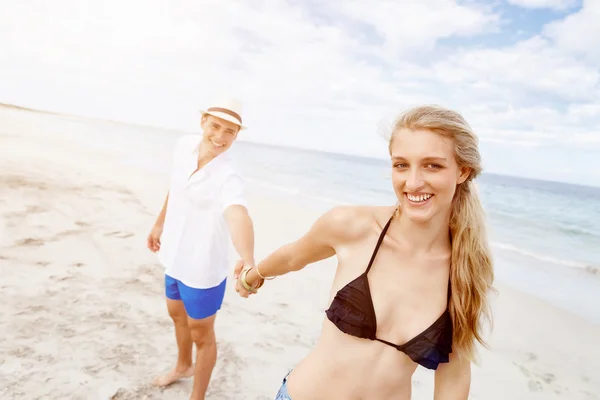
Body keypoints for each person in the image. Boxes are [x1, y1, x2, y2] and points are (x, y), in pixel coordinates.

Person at [234, 105, 495, 399]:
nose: (413, 182)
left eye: (432, 165)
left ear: (462, 171)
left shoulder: (466, 269)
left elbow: (455, 373)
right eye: (401, 165)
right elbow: (293, 257)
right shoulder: (353, 226)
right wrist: (252, 276)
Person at [147, 96, 256, 400]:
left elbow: (238, 214)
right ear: (203, 121)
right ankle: (183, 366)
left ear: (237, 135)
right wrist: (159, 224)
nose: (220, 137)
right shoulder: (184, 146)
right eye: (215, 126)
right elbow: (177, 186)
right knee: (175, 314)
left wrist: (247, 259)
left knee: (202, 333)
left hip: (203, 267)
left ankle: (197, 397)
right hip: (174, 254)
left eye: (230, 132)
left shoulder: (229, 174)